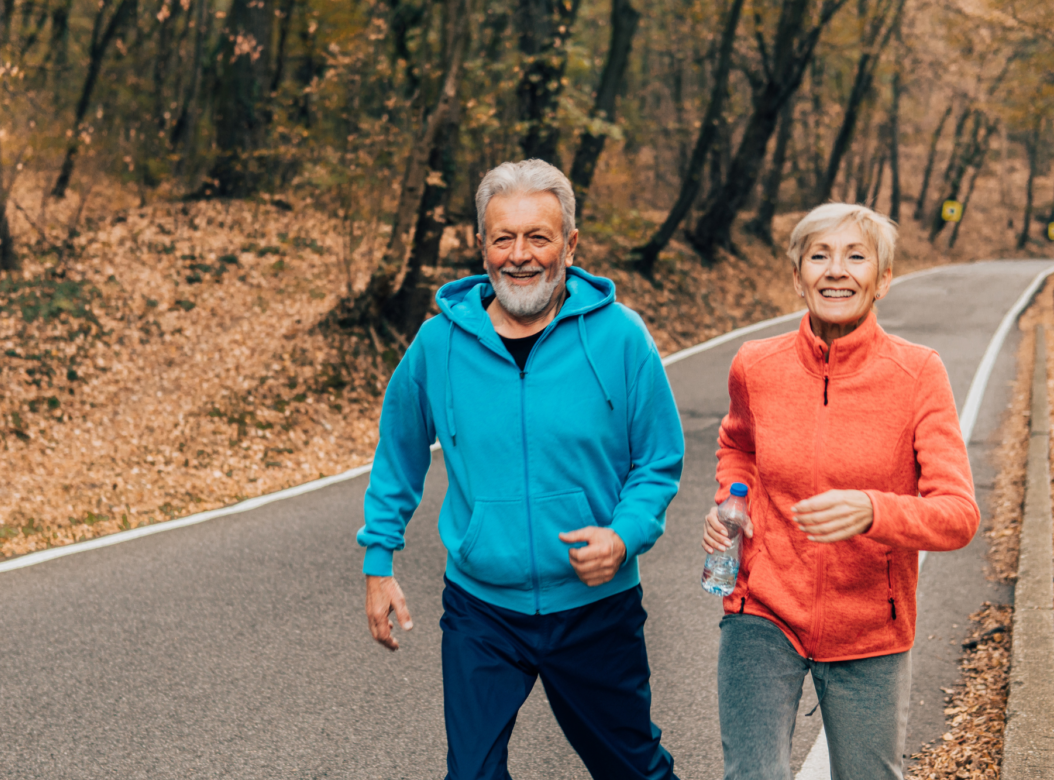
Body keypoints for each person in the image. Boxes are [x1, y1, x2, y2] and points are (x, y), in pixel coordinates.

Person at [357, 159, 686, 780]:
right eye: (503, 237)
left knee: (633, 770)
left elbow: (658, 459)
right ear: (481, 245)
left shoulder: (619, 337)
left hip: (595, 606)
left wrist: (625, 534)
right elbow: (397, 452)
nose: (520, 255)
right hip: (483, 609)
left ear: (570, 244)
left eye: (538, 236)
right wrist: (379, 559)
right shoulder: (438, 344)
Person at [702, 203, 980, 780]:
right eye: (820, 255)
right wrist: (734, 499)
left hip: (870, 625)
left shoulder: (918, 373)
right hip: (764, 606)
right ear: (798, 274)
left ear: (882, 279)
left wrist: (872, 509)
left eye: (857, 257)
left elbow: (958, 515)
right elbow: (739, 447)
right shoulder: (756, 365)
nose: (836, 270)